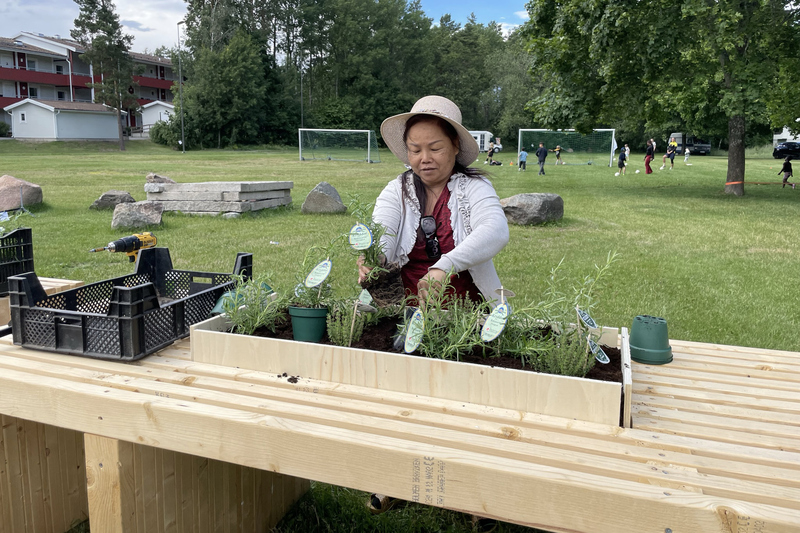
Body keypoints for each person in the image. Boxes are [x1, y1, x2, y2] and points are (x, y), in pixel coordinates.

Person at [361, 94, 508, 532]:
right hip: (408, 308)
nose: (424, 158)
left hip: (467, 312)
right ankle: (395, 479)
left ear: (455, 148)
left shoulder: (474, 189)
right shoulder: (398, 190)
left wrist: (445, 265)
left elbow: (495, 230)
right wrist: (371, 258)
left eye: (435, 148)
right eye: (415, 149)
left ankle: (477, 496)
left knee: (470, 403)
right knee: (401, 397)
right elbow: (383, 231)